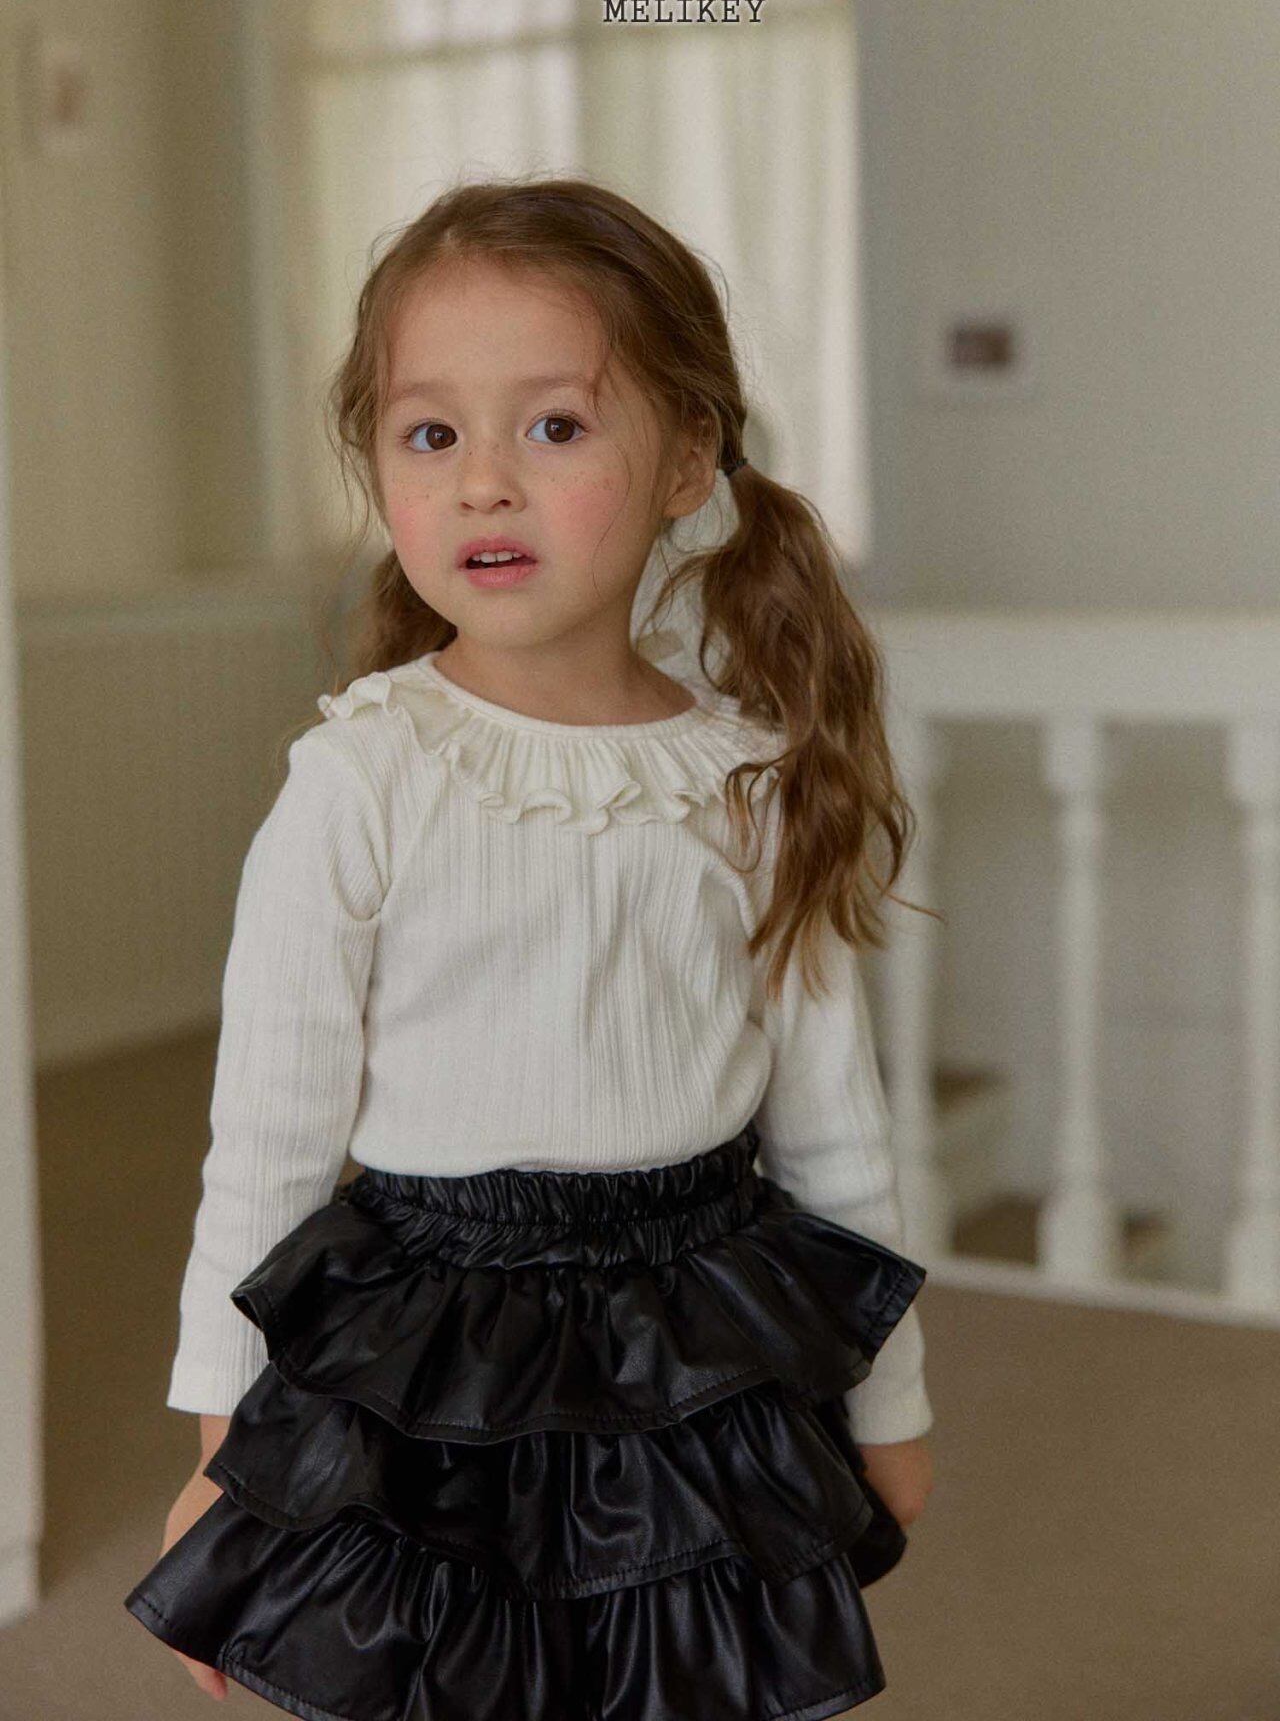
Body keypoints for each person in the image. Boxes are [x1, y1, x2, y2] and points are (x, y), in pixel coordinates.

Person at [123, 176, 937, 1721]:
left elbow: (837, 1135)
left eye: (555, 426)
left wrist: (887, 1403)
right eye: (432, 434)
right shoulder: (361, 777)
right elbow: (268, 1149)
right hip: (433, 1353)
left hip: (695, 1341)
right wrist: (227, 1449)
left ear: (687, 457)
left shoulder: (746, 778)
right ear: (378, 465)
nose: (485, 483)